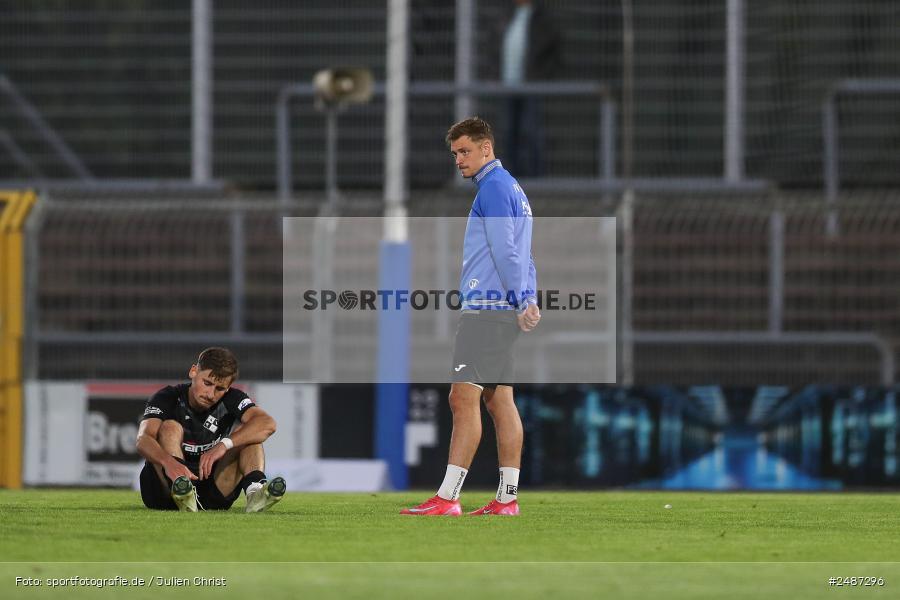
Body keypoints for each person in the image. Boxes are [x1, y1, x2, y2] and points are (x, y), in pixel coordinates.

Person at [402, 117, 540, 516]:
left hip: (487, 311)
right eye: (455, 154)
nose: (459, 160)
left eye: (464, 152)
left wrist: (518, 297)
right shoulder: (513, 187)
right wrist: (527, 298)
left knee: (463, 398)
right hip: (505, 310)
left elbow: (505, 250)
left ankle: (448, 497)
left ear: (486, 148)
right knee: (501, 401)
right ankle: (507, 499)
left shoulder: (494, 189)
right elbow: (524, 252)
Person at [135, 347, 286, 512]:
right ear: (193, 371)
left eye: (220, 389)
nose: (210, 394)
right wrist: (169, 463)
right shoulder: (167, 397)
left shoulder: (232, 399)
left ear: (228, 388)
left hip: (212, 492)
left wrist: (224, 445)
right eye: (207, 383)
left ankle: (255, 493)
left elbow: (267, 423)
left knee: (250, 433)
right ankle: (183, 491)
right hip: (165, 494)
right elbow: (143, 439)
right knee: (170, 427)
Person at [495, 0, 563, 178]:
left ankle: (535, 180)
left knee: (531, 133)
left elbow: (552, 51)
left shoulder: (542, 18)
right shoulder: (507, 14)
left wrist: (542, 76)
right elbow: (494, 45)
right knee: (508, 133)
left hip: (532, 86)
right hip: (507, 86)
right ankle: (511, 179)